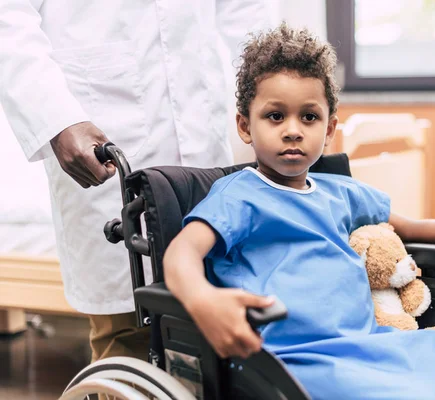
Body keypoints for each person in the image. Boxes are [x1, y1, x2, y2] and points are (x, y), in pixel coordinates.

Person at [162, 24, 435, 399]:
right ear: (246, 126)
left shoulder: (341, 192)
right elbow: (183, 251)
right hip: (294, 361)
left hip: (374, 345)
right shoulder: (238, 196)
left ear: (329, 130)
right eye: (275, 116)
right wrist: (201, 300)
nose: (293, 130)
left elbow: (410, 228)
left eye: (309, 117)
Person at [0, 0, 270, 363]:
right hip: (106, 135)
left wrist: (277, 94)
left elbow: (246, 11)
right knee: (126, 335)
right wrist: (58, 120)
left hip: (201, 130)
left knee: (218, 333)